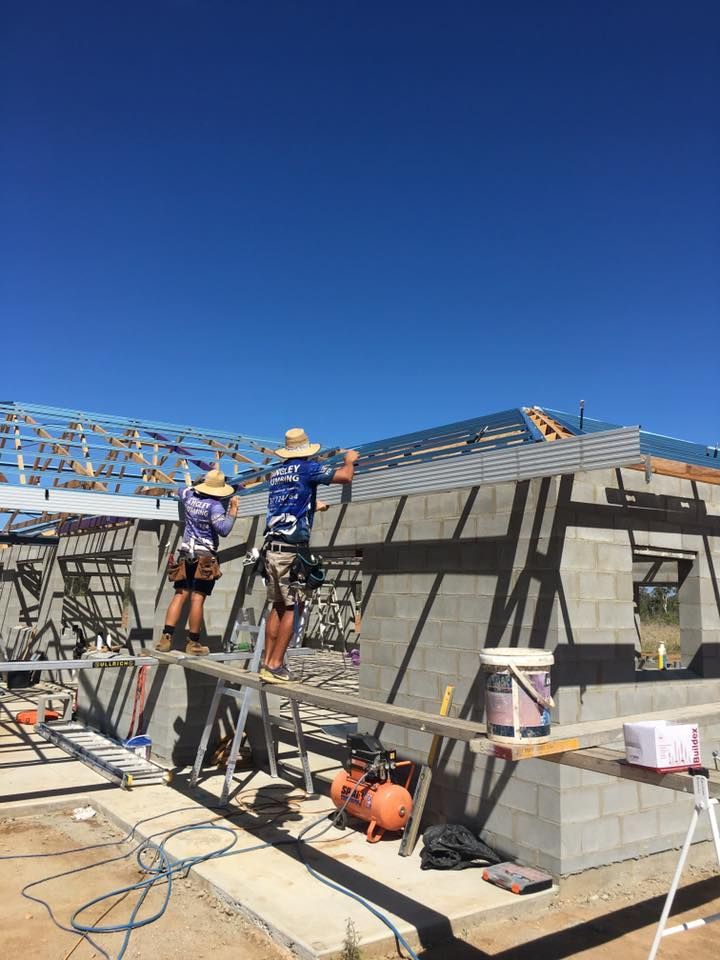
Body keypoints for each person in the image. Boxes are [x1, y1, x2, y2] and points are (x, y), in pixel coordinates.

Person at [260, 428, 359, 682]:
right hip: (291, 552)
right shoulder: (308, 468)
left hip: (272, 549)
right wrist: (349, 460)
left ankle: (266, 660)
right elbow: (345, 478)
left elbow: (290, 502)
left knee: (278, 605)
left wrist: (314, 504)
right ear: (305, 452)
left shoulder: (277, 474)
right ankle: (276, 664)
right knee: (293, 607)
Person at [155, 469, 238, 656]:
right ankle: (193, 643)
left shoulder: (189, 497)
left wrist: (196, 485)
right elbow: (223, 529)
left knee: (179, 595)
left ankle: (165, 639)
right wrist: (232, 511)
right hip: (205, 558)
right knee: (197, 599)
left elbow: (180, 490)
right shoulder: (215, 506)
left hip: (185, 554)